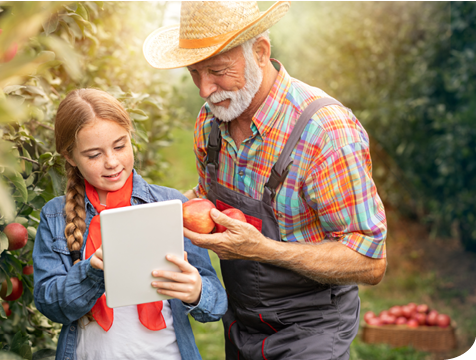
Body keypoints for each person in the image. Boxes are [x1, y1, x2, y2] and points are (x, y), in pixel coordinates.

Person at [143, 1, 387, 359]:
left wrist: (263, 249)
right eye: (195, 72)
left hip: (313, 330)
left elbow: (371, 261)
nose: (205, 90)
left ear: (260, 51)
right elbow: (206, 200)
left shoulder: (324, 133)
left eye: (217, 70)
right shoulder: (211, 122)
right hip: (241, 325)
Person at [32, 88, 227, 360]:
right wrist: (92, 273)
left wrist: (196, 291)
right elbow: (50, 304)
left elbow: (216, 304)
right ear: (70, 156)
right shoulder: (55, 216)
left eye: (120, 146)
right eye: (93, 155)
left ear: (130, 138)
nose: (112, 162)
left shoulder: (170, 205)